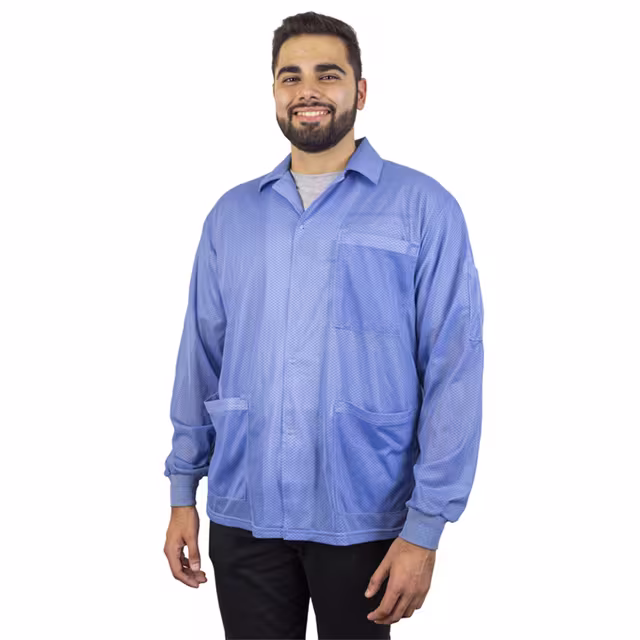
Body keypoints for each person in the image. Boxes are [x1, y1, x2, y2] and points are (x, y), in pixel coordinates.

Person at [163, 11, 484, 639]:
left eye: (327, 75)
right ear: (274, 92)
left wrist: (425, 527)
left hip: (366, 513)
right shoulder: (232, 215)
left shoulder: (423, 208)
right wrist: (182, 491)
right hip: (245, 509)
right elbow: (200, 358)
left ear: (359, 91)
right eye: (291, 77)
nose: (307, 90)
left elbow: (454, 366)